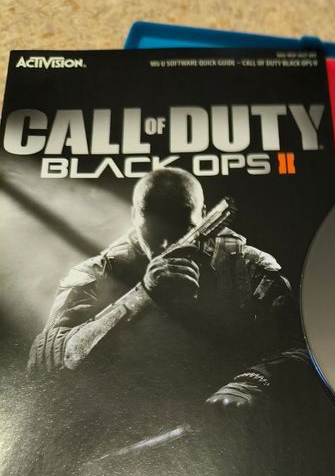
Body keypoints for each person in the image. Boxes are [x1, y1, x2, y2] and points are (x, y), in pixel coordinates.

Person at [28, 167, 309, 420]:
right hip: (122, 425)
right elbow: (43, 367)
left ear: (202, 215)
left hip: (223, 426)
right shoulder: (97, 273)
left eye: (181, 230)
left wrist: (254, 381)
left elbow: (302, 345)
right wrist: (143, 295)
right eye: (154, 230)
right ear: (134, 216)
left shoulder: (248, 266)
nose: (165, 246)